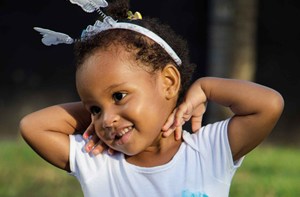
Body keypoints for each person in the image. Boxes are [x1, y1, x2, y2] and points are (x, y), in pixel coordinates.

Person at [19, 0, 284, 196]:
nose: (107, 120)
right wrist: (94, 114)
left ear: (168, 83)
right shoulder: (97, 161)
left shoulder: (207, 150)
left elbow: (268, 105)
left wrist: (206, 88)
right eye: (96, 109)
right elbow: (32, 127)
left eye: (119, 96)